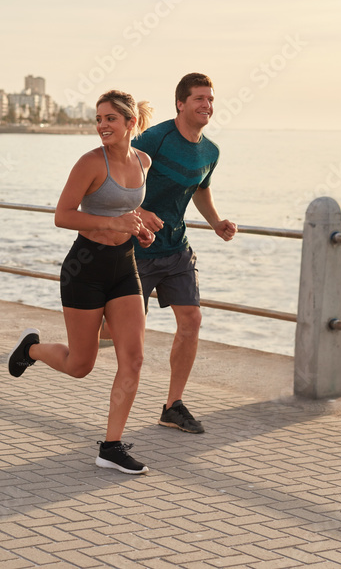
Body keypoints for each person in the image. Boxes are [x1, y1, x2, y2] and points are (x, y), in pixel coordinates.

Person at [7, 90, 155, 475]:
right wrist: (114, 223)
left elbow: (126, 207)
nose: (102, 125)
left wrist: (140, 224)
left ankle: (111, 446)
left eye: (110, 119)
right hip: (84, 269)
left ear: (130, 123)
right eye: (99, 118)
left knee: (134, 359)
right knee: (80, 365)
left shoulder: (144, 161)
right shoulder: (90, 162)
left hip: (125, 266)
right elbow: (62, 215)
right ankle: (32, 349)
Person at [131, 73, 237, 434]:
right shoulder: (155, 139)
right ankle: (41, 348)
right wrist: (137, 212)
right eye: (199, 99)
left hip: (176, 248)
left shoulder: (211, 151)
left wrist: (216, 221)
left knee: (191, 321)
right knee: (111, 335)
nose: (207, 105)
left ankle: (172, 405)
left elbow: (200, 190)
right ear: (181, 103)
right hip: (136, 248)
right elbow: (122, 177)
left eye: (210, 99)